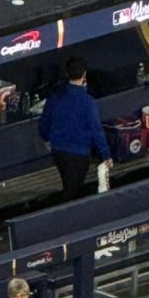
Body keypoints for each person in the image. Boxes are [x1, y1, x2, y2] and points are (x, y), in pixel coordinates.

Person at [39, 57, 113, 202]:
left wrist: (46, 138)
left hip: (59, 151)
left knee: (70, 187)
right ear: (84, 74)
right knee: (71, 191)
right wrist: (106, 155)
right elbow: (96, 131)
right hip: (79, 154)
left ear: (67, 73)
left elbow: (44, 122)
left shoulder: (54, 97)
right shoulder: (88, 102)